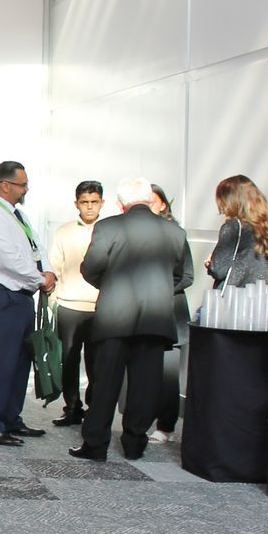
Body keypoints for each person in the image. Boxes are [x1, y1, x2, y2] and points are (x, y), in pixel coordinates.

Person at [71, 178, 191, 462]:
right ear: (150, 199)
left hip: (114, 315)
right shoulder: (174, 231)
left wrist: (110, 285)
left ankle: (95, 444)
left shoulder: (108, 227)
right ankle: (135, 444)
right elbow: (183, 275)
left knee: (104, 382)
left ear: (121, 203)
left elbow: (91, 268)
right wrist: (159, 290)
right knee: (146, 383)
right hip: (156, 316)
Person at [0, 160, 55, 446]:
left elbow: (35, 247)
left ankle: (10, 419)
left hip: (19, 295)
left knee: (20, 362)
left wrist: (48, 271)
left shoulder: (16, 214)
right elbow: (8, 260)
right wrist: (40, 279)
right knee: (2, 362)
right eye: (22, 185)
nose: (25, 189)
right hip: (0, 295)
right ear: (3, 185)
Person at [48, 180, 104, 426]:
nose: (89, 207)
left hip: (99, 307)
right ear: (76, 204)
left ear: (102, 202)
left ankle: (93, 408)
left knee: (96, 362)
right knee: (69, 360)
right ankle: (72, 406)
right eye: (84, 202)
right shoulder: (64, 231)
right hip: (69, 305)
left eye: (94, 202)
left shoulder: (108, 229)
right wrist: (54, 302)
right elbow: (54, 267)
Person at [147, 183, 197, 441]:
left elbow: (187, 275)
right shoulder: (141, 233)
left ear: (163, 204)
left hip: (171, 311)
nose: (148, 206)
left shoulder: (176, 234)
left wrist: (161, 289)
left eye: (152, 201)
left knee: (168, 371)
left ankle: (165, 425)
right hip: (146, 311)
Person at [208, 175, 268, 288]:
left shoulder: (233, 227)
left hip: (233, 299)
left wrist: (210, 263)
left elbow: (218, 269)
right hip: (259, 298)